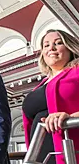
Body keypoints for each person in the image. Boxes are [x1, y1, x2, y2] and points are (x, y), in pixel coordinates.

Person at [22, 29, 79, 164]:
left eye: (58, 43)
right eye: (46, 45)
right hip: (40, 155)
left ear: (70, 48)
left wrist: (72, 117)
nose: (51, 48)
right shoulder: (41, 84)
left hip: (70, 153)